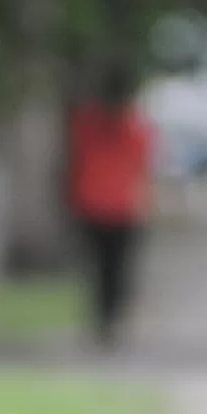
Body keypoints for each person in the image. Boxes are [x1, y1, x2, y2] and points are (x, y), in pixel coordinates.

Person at [67, 62, 154, 349]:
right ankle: (114, 318)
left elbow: (75, 161)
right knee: (120, 266)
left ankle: (104, 318)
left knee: (99, 266)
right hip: (124, 206)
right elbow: (144, 166)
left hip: (91, 204)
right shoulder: (136, 127)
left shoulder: (86, 124)